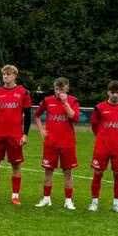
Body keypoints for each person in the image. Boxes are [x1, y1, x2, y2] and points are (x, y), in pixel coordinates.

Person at [0, 65, 33, 205]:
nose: (6, 76)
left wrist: (25, 134)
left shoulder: (23, 92)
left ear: (15, 76)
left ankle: (15, 196)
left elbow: (28, 115)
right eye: (4, 74)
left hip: (15, 135)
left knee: (16, 166)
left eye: (9, 74)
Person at [34, 77, 80, 210]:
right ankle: (46, 198)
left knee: (68, 172)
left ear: (67, 89)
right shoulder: (47, 101)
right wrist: (42, 130)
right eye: (56, 89)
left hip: (67, 143)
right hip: (51, 143)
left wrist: (65, 103)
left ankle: (68, 201)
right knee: (48, 171)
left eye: (61, 89)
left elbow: (75, 118)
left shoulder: (73, 101)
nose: (58, 92)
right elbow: (37, 115)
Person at [89, 80, 118, 214]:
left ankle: (116, 204)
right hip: (102, 147)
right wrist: (103, 137)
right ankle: (94, 202)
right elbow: (94, 126)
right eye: (112, 92)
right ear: (108, 92)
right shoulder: (99, 107)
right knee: (97, 174)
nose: (115, 95)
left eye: (117, 92)